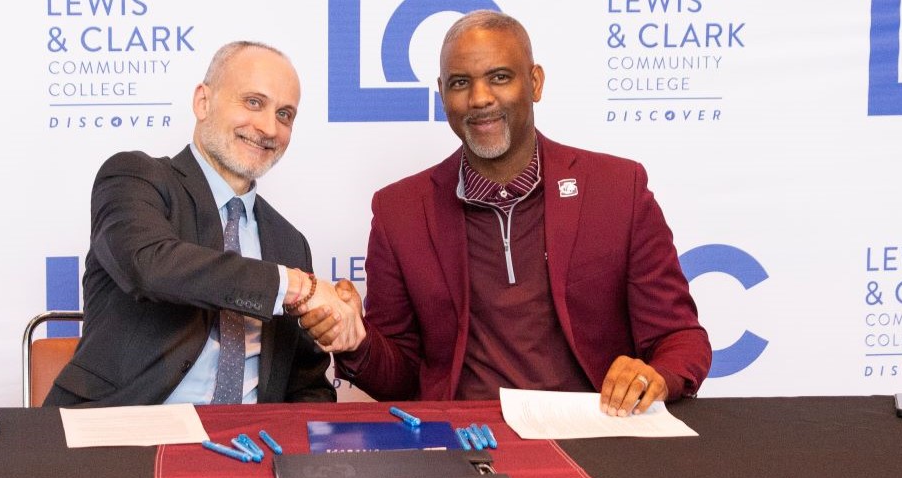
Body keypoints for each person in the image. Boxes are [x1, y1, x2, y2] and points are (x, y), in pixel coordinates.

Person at [302, 10, 710, 416]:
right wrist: (357, 342)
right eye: (461, 83)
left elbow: (679, 337)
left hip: (594, 431)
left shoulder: (618, 188)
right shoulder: (400, 211)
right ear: (443, 94)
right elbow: (404, 377)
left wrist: (656, 375)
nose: (480, 99)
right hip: (461, 440)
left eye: (499, 77)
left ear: (534, 83)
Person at [45, 41, 362, 407]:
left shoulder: (289, 242)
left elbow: (307, 386)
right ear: (203, 102)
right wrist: (294, 286)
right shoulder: (135, 177)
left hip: (248, 447)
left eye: (285, 115)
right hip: (126, 436)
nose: (268, 127)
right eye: (253, 102)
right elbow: (148, 266)